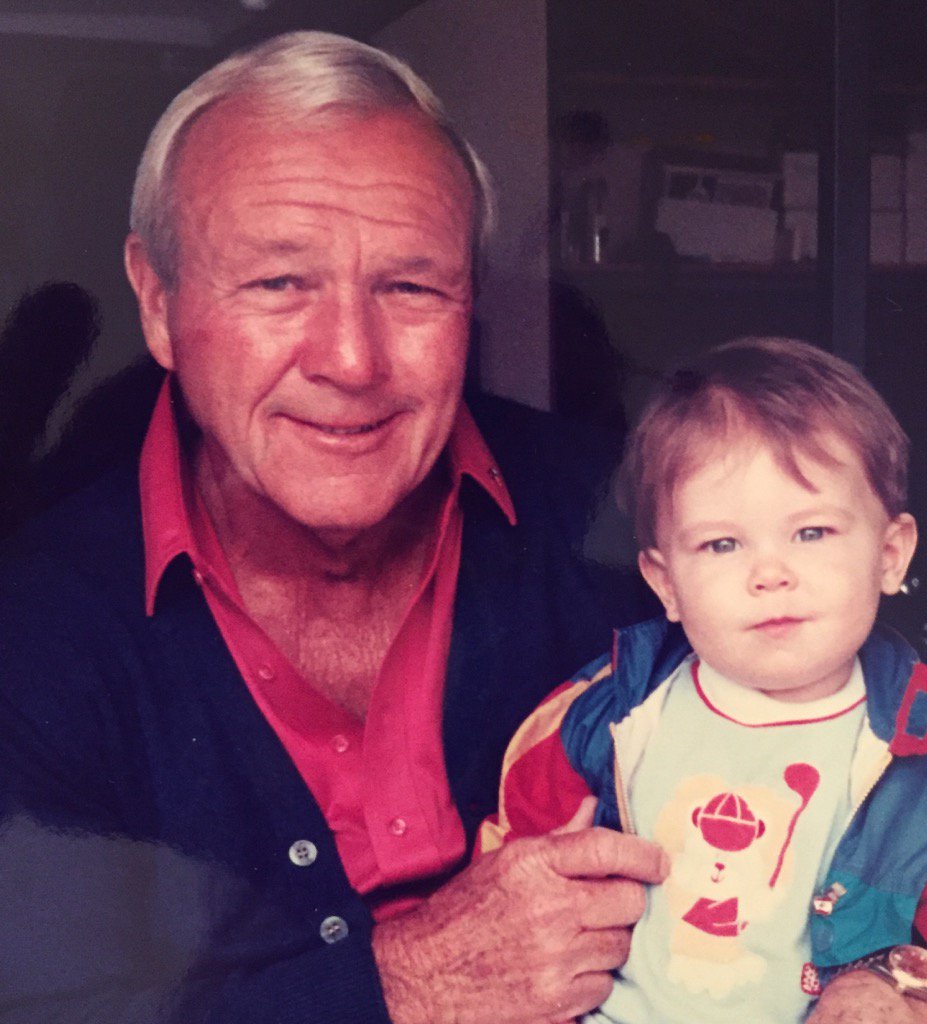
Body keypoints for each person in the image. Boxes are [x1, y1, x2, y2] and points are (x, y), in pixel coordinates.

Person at [0, 31, 671, 1024]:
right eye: (278, 284)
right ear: (157, 300)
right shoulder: (33, 633)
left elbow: (901, 755)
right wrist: (400, 989)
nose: (352, 360)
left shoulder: (633, 516)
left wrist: (890, 968)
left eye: (410, 287)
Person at [480, 337, 927, 1024]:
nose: (770, 574)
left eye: (813, 533)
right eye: (722, 544)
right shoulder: (603, 718)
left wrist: (912, 992)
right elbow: (507, 894)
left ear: (889, 555)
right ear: (665, 582)